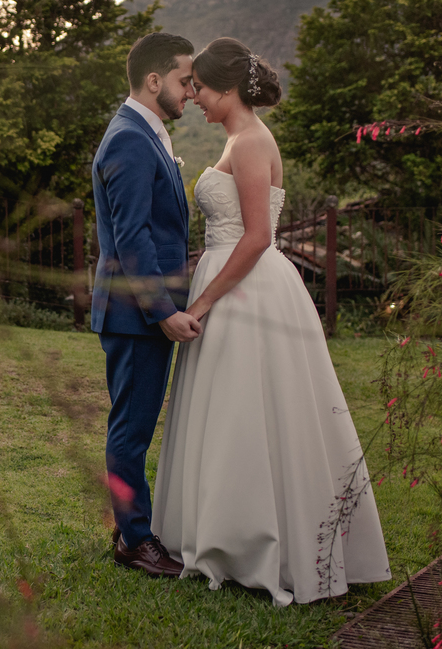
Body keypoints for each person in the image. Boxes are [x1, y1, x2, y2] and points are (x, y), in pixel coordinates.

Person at [150, 37, 391, 604]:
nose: (195, 98)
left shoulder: (253, 141)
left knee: (251, 410)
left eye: (200, 89)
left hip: (246, 291)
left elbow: (259, 236)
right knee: (231, 412)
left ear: (228, 88)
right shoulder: (238, 138)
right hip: (231, 282)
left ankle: (258, 542)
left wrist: (202, 304)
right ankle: (222, 528)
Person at [91, 32, 201, 578]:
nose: (191, 92)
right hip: (135, 315)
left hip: (139, 313)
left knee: (133, 423)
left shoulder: (144, 133)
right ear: (154, 80)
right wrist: (163, 310)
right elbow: (131, 237)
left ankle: (128, 526)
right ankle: (135, 541)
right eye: (185, 81)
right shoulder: (130, 139)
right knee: (131, 430)